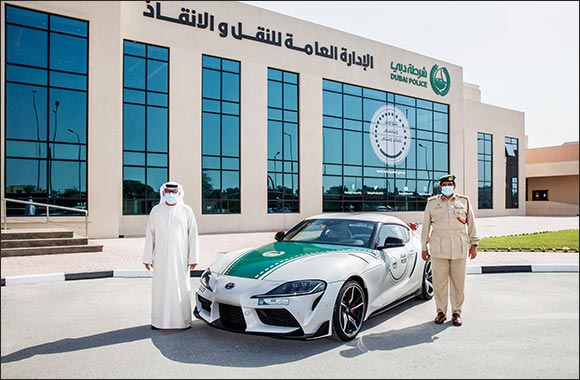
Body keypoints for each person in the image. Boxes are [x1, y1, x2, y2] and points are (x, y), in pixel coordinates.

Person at [420, 174, 478, 327]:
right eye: (444, 184)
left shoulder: (463, 201)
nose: (447, 187)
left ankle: (457, 312)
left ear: (454, 186)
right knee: (439, 283)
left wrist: (474, 244)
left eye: (449, 184)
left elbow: (471, 223)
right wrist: (423, 247)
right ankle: (440, 312)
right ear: (440, 187)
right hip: (439, 248)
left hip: (459, 247)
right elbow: (426, 225)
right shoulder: (432, 203)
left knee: (459, 283)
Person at [143, 181, 199, 330]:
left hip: (181, 258)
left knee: (180, 287)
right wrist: (148, 258)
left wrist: (193, 257)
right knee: (161, 289)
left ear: (179, 193)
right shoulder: (156, 210)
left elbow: (193, 235)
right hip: (161, 258)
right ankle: (159, 322)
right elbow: (150, 235)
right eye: (168, 192)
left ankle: (183, 322)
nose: (171, 195)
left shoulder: (186, 211)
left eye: (174, 192)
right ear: (163, 193)